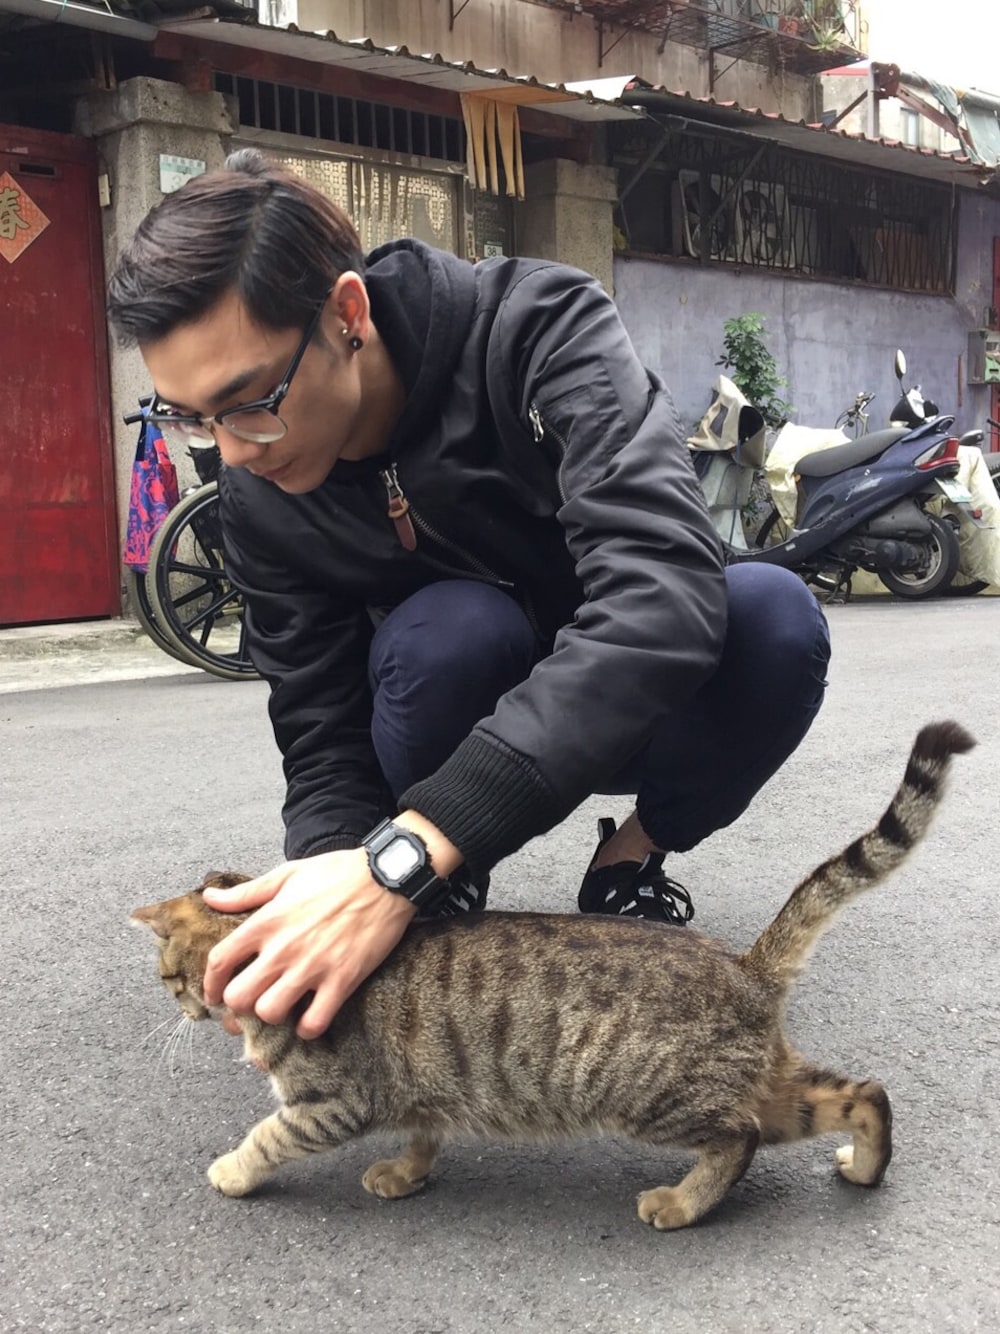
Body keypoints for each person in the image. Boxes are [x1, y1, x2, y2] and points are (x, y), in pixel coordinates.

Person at [107, 149, 830, 1041]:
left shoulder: (539, 330)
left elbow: (660, 594)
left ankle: (632, 853)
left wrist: (407, 851)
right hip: (445, 711)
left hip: (638, 711)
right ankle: (442, 892)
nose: (233, 452)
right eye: (190, 417)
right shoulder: (257, 497)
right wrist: (334, 886)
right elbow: (320, 726)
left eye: (250, 402)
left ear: (347, 315)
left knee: (776, 618)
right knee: (448, 632)